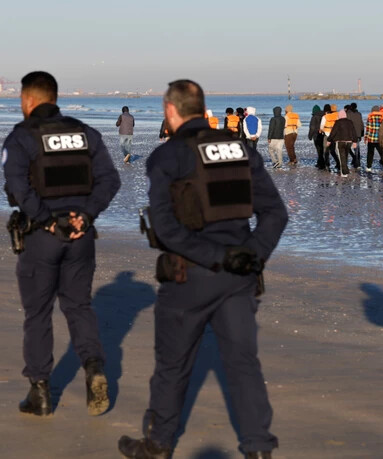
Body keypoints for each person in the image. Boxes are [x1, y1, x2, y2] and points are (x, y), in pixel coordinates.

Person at [117, 79, 288, 459]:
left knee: (173, 365)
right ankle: (258, 448)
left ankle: (159, 443)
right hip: (240, 274)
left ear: (170, 110)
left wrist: (222, 257)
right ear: (202, 107)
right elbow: (276, 213)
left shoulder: (168, 156)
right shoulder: (239, 147)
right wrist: (250, 255)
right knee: (243, 364)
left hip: (190, 274)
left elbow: (165, 228)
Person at [3, 71, 121, 418]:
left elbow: (18, 188)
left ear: (28, 101)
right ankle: (94, 367)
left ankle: (40, 391)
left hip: (43, 235)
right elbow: (109, 180)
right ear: (55, 98)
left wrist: (47, 219)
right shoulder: (85, 132)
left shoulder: (22, 136)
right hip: (81, 235)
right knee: (79, 306)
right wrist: (86, 215)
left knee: (38, 313)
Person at [326, 109, 358, 177]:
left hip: (340, 141)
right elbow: (354, 132)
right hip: (349, 142)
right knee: (345, 156)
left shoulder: (338, 122)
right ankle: (344, 171)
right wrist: (355, 141)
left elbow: (333, 132)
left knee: (341, 157)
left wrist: (329, 140)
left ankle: (344, 173)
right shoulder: (350, 122)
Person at [320, 104, 340, 172]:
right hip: (335, 136)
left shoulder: (325, 117)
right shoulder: (338, 116)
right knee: (333, 151)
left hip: (327, 135)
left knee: (326, 151)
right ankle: (338, 163)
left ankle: (327, 165)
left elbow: (321, 127)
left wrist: (321, 131)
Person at [364, 105, 383, 172]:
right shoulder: (382, 117)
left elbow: (368, 128)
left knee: (370, 153)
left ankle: (369, 167)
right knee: (382, 153)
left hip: (371, 138)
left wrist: (365, 138)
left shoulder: (370, 117)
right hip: (379, 139)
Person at [347, 103, 365, 169]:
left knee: (348, 147)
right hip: (357, 134)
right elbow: (361, 124)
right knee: (357, 149)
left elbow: (348, 124)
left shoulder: (348, 114)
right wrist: (362, 133)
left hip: (350, 134)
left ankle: (354, 159)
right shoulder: (359, 114)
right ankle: (358, 163)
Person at [308, 105, 325, 169]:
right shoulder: (324, 115)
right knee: (323, 149)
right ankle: (320, 162)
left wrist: (310, 136)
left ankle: (321, 164)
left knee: (319, 150)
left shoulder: (314, 117)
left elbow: (312, 127)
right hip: (324, 134)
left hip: (316, 135)